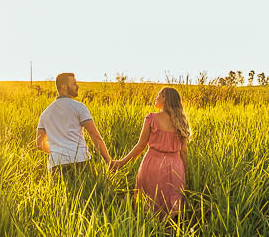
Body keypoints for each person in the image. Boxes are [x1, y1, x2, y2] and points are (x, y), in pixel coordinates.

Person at [111, 87, 191, 216]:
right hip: (176, 167)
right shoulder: (182, 122)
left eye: (158, 95)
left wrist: (121, 163)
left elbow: (141, 146)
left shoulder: (152, 118)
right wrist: (184, 171)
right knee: (171, 206)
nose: (155, 98)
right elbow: (184, 152)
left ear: (164, 98)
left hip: (153, 164)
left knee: (149, 204)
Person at [36, 72, 111, 174]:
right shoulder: (79, 107)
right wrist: (108, 161)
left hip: (56, 165)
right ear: (64, 87)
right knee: (91, 190)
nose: (77, 86)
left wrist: (58, 152)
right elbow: (94, 135)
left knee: (59, 190)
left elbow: (40, 144)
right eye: (74, 84)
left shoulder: (45, 113)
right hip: (80, 162)